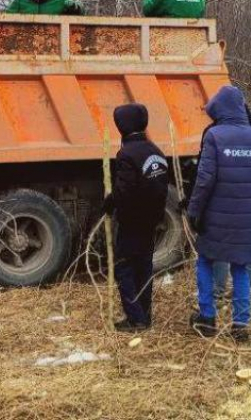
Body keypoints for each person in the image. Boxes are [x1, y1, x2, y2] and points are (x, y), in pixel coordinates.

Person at [186, 86, 251, 342]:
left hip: (217, 216)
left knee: (206, 261)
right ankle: (241, 324)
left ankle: (207, 318)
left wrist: (194, 210)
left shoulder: (215, 136)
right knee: (240, 267)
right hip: (246, 217)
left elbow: (205, 179)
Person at [103, 104, 169, 332]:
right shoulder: (156, 152)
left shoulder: (127, 154)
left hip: (132, 223)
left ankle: (135, 319)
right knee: (144, 268)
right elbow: (161, 190)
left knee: (125, 269)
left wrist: (109, 203)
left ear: (122, 125)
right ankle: (145, 314)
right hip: (151, 222)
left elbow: (125, 191)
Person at [211, 107, 251, 298]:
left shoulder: (219, 132)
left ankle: (218, 290)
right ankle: (243, 290)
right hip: (250, 201)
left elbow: (209, 170)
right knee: (246, 246)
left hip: (224, 201)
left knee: (221, 244)